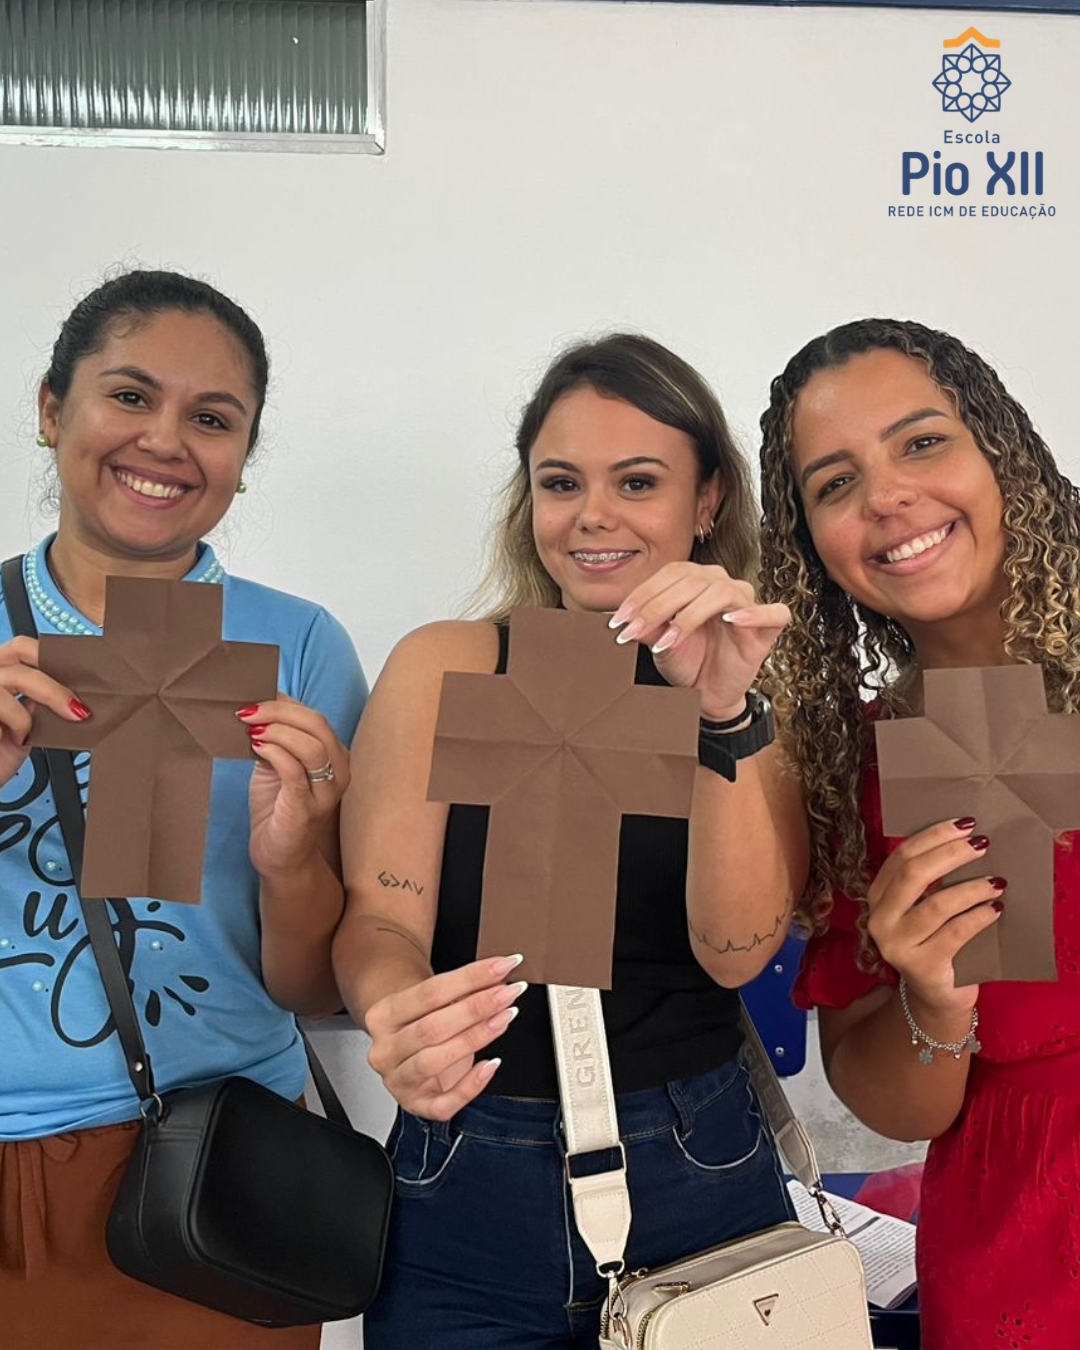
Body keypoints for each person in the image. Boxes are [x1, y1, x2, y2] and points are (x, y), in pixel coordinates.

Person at [334, 333, 808, 1348]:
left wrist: (721, 714)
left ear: (708, 499)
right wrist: (401, 1016)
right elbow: (378, 920)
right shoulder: (449, 666)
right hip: (468, 1165)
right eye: (561, 483)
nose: (592, 514)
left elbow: (736, 951)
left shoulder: (759, 690)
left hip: (697, 1159)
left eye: (637, 481)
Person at [0, 270, 366, 1349]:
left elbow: (316, 988)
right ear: (51, 408)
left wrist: (293, 861)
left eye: (212, 419)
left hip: (214, 1169)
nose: (164, 441)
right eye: (129, 396)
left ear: (243, 460)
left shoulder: (299, 647)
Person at [758, 318, 1080, 1348]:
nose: (888, 496)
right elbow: (898, 1106)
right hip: (1015, 1253)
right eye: (835, 483)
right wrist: (931, 999)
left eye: (923, 442)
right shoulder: (852, 769)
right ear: (812, 546)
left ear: (1003, 451)